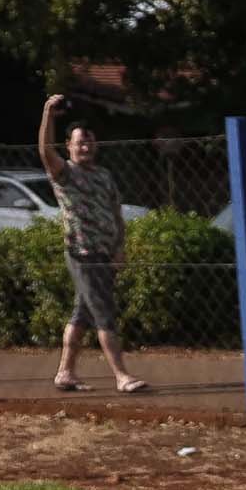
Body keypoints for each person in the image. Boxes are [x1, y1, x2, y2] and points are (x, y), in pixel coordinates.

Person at [35, 96, 147, 395]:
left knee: (82, 314)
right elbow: (44, 150)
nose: (85, 147)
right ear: (69, 146)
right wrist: (48, 113)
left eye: (89, 142)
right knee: (103, 314)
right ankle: (121, 375)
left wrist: (120, 247)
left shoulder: (104, 175)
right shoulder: (64, 173)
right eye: (79, 142)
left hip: (105, 254)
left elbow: (116, 214)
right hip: (82, 254)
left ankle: (65, 372)